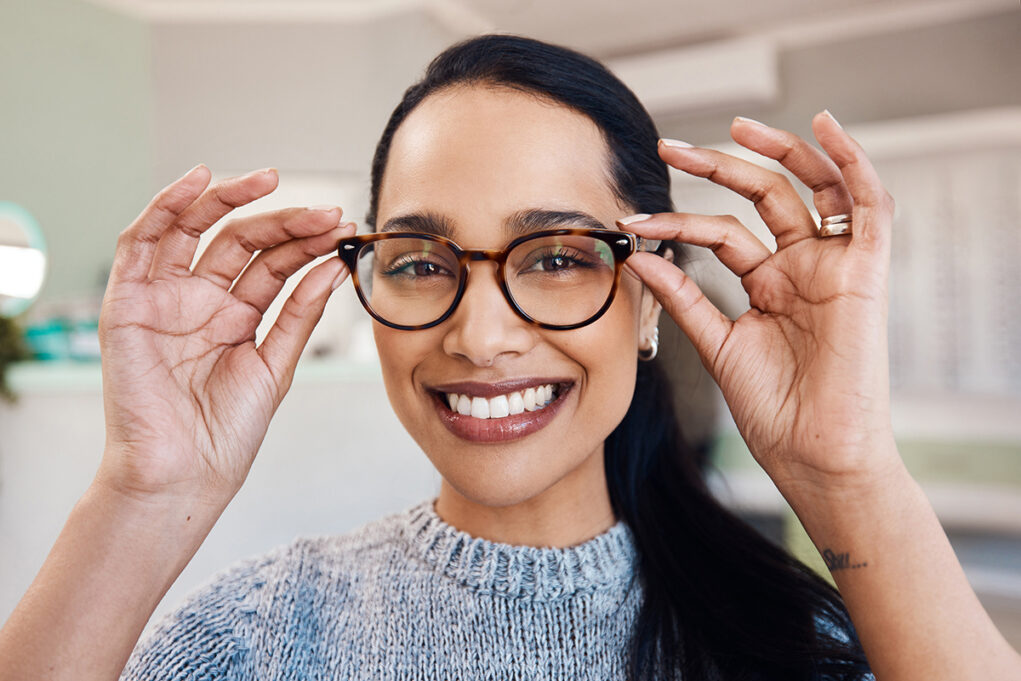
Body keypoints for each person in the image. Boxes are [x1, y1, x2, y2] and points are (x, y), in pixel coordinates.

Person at [1, 34, 1018, 681]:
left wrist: (847, 474)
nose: (479, 337)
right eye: (416, 260)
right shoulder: (257, 639)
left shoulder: (801, 650)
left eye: (561, 256)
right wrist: (142, 495)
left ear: (652, 287)